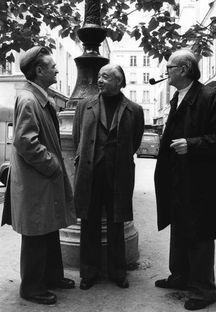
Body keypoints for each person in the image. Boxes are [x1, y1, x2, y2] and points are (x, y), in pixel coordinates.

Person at [154, 49, 216, 311]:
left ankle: (203, 291)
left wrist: (192, 144)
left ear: (184, 70)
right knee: (179, 227)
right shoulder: (179, 96)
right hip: (179, 178)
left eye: (169, 67)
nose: (166, 71)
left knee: (200, 233)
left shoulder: (208, 97)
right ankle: (180, 276)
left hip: (199, 182)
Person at [1, 46, 76, 305]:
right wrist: (53, 164)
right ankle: (31, 288)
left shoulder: (37, 97)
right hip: (37, 182)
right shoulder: (30, 99)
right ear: (40, 71)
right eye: (52, 65)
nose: (57, 69)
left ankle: (52, 277)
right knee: (36, 234)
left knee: (48, 229)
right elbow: (25, 141)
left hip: (40, 181)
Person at [73, 64, 144, 290]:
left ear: (119, 81)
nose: (99, 80)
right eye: (99, 76)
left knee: (117, 225)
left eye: (105, 76)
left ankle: (117, 272)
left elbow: (135, 141)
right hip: (90, 175)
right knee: (89, 223)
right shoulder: (85, 106)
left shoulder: (134, 109)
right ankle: (89, 272)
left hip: (118, 176)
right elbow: (78, 138)